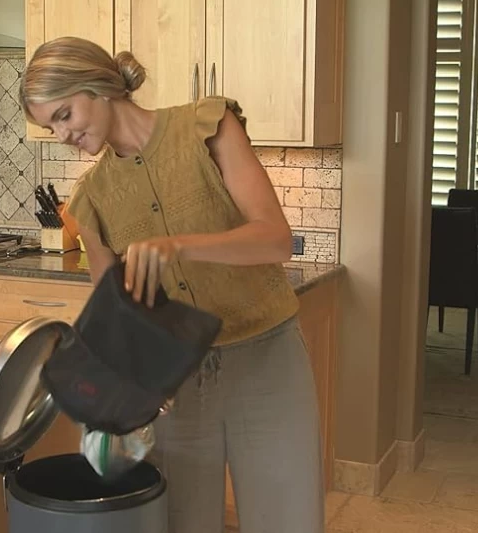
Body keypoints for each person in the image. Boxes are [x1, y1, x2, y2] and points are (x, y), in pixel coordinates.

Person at [19, 36, 324, 533]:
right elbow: (116, 319)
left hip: (268, 360)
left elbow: (275, 240)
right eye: (50, 126)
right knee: (183, 523)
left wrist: (177, 245)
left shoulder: (207, 126)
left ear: (98, 87)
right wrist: (110, 397)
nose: (61, 134)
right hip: (176, 386)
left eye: (64, 115)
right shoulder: (91, 199)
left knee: (287, 519)